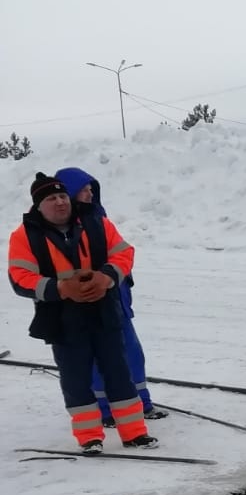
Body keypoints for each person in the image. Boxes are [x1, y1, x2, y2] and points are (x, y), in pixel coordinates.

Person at [8, 173, 156, 453]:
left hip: (104, 312)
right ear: (38, 205)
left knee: (119, 372)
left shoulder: (96, 221)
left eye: (63, 196)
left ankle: (135, 433)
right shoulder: (24, 235)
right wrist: (61, 288)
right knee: (76, 379)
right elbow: (20, 277)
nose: (60, 202)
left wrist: (106, 278)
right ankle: (89, 437)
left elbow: (123, 253)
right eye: (51, 199)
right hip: (63, 320)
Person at [54, 167, 167, 424]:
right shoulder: (59, 230)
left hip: (117, 300)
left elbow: (123, 252)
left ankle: (142, 403)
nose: (90, 194)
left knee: (132, 354)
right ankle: (104, 410)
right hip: (86, 306)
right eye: (84, 190)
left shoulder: (99, 219)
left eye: (91, 189)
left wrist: (113, 276)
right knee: (96, 361)